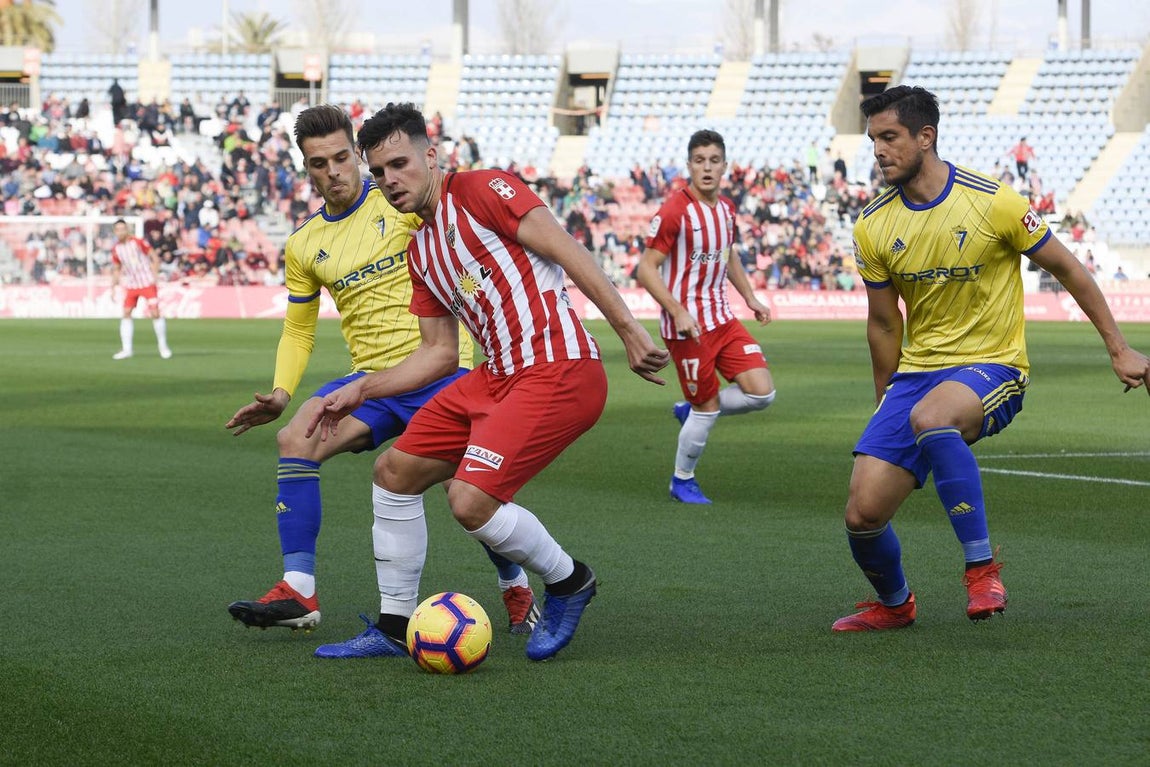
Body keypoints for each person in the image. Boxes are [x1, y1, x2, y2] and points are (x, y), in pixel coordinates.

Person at [307, 102, 670, 662]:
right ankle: (392, 627)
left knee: (469, 499)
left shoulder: (483, 190)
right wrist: (362, 387)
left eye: (400, 164)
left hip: (557, 367)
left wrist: (629, 330)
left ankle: (569, 581)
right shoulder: (422, 248)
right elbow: (437, 353)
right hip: (493, 376)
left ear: (432, 155)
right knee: (392, 472)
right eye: (378, 172)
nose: (389, 181)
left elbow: (569, 251)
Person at [834, 86, 1150, 632]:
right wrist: (883, 398)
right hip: (916, 376)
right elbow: (885, 322)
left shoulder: (993, 201)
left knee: (933, 419)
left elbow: (1070, 269)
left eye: (889, 138)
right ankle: (896, 604)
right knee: (862, 516)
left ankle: (981, 569)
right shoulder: (872, 224)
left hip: (992, 365)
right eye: (873, 141)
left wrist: (1118, 348)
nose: (878, 151)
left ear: (925, 137)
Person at [224, 105, 540, 641]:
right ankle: (299, 589)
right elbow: (299, 329)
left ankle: (516, 584)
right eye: (319, 163)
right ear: (307, 169)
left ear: (357, 153)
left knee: (467, 490)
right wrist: (281, 392)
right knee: (295, 435)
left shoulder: (402, 203)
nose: (335, 171)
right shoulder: (304, 244)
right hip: (371, 383)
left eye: (344, 158)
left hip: (442, 371)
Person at [634, 129, 775, 505]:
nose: (707, 168)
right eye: (700, 161)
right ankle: (682, 480)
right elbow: (646, 269)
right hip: (687, 329)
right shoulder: (674, 211)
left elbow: (728, 256)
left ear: (725, 166)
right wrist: (677, 310)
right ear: (689, 166)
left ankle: (691, 410)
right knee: (708, 409)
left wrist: (750, 298)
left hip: (722, 320)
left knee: (763, 393)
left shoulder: (726, 210)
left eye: (714, 161)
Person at [109, 218, 172, 360]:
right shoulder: (116, 249)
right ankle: (127, 349)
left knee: (155, 313)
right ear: (115, 232)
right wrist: (113, 287)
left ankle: (163, 346)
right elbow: (117, 268)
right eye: (118, 230)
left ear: (127, 229)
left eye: (123, 229)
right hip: (131, 284)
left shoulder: (138, 242)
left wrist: (154, 275)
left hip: (146, 282)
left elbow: (154, 257)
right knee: (126, 312)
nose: (121, 232)